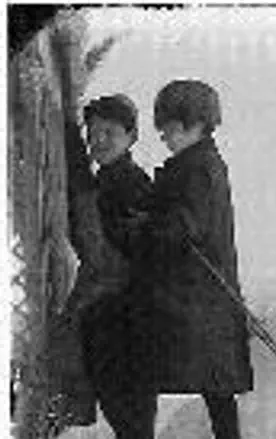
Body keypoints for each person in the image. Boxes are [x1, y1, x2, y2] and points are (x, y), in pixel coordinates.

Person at [105, 79, 253, 439]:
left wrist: (142, 229)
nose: (165, 137)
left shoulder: (199, 169)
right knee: (215, 387)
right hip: (200, 298)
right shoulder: (193, 163)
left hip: (197, 297)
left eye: (171, 129)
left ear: (195, 126)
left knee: (156, 368)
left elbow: (184, 226)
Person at [59, 93, 156, 436]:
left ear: (132, 137)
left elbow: (126, 251)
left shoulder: (131, 183)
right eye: (92, 132)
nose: (98, 140)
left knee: (127, 412)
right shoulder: (108, 179)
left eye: (109, 132)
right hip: (111, 311)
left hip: (123, 314)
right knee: (125, 414)